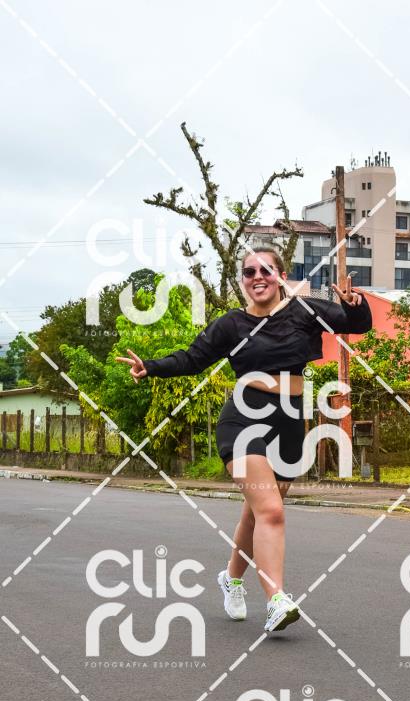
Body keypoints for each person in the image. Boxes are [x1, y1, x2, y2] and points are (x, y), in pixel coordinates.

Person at [116, 248, 372, 634]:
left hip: (289, 422)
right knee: (271, 511)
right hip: (244, 420)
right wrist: (149, 367)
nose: (258, 277)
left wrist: (355, 305)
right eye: (249, 272)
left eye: (266, 270)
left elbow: (356, 324)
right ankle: (276, 600)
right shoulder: (232, 325)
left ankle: (231, 579)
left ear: (280, 275)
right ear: (243, 281)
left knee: (256, 513)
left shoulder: (304, 310)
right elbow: (192, 358)